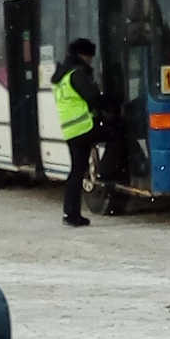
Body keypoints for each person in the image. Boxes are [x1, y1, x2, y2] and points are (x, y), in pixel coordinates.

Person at [51, 37, 104, 227]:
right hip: (85, 126)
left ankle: (70, 214)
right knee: (119, 135)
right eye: (90, 57)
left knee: (76, 171)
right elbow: (92, 97)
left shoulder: (62, 76)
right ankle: (108, 176)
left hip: (71, 130)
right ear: (84, 55)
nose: (91, 61)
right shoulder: (78, 73)